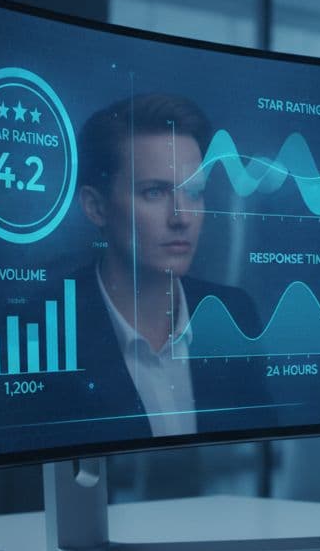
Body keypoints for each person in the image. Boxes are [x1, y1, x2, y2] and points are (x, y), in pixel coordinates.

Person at [71, 93, 273, 436]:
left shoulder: (233, 315)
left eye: (193, 192)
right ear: (96, 207)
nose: (181, 217)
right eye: (154, 192)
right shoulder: (48, 330)